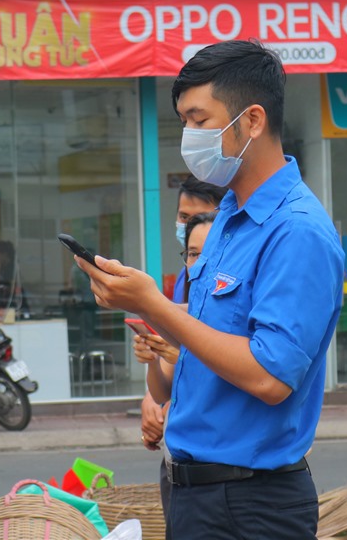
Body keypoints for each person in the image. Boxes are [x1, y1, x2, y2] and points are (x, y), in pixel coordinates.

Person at [76, 40, 344, 538]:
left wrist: (153, 302)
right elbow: (202, 342)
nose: (189, 136)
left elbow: (270, 376)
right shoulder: (226, 218)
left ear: (253, 120)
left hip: (250, 505)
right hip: (193, 493)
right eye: (183, 121)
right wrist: (153, 331)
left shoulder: (297, 231)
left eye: (200, 120)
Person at [136, 211, 216, 536]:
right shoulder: (183, 304)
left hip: (225, 478)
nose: (196, 263)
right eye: (192, 253)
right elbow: (161, 391)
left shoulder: (240, 313)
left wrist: (180, 355)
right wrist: (153, 359)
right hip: (181, 472)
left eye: (205, 254)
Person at [169, 176, 228, 303]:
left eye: (201, 217)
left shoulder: (229, 278)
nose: (190, 225)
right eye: (184, 216)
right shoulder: (184, 274)